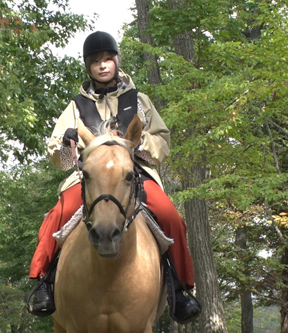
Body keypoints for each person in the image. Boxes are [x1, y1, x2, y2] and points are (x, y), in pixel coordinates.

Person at [27, 31, 201, 324]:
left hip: (134, 174)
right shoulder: (75, 107)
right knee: (58, 215)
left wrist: (141, 142)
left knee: (170, 216)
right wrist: (65, 143)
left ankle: (181, 289)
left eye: (108, 59)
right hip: (91, 177)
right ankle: (44, 282)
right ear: (88, 66)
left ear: (117, 60)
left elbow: (162, 140)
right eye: (96, 61)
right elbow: (57, 158)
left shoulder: (140, 100)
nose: (103, 65)